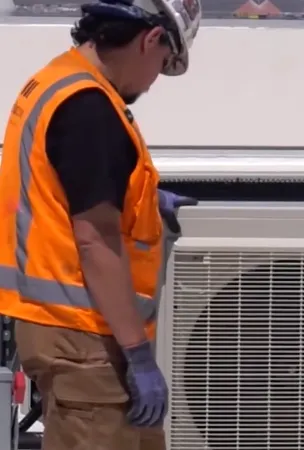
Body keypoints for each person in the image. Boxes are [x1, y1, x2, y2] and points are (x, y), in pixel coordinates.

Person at [0, 0, 201, 448]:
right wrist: (138, 355)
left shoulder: (55, 82)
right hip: (86, 337)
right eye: (163, 65)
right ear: (151, 39)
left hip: (74, 331)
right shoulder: (89, 109)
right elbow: (94, 240)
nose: (153, 83)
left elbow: (65, 193)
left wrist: (146, 202)